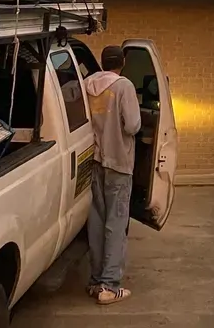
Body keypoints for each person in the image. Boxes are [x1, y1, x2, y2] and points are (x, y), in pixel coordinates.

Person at [83, 44, 141, 305]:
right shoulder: (124, 86)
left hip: (95, 161)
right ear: (123, 62)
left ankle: (96, 282)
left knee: (96, 222)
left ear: (102, 61)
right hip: (118, 162)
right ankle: (109, 286)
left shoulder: (88, 84)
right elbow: (133, 125)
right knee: (116, 225)